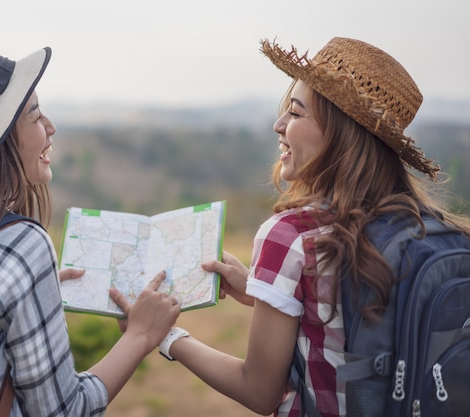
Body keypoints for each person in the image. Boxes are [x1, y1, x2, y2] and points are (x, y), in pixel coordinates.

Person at [115, 37, 470, 417]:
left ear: (341, 133)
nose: (278, 124)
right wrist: (260, 291)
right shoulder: (431, 228)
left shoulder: (292, 235)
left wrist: (163, 336)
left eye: (297, 114)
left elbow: (259, 391)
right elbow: (361, 325)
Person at [0, 43, 180, 416]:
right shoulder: (21, 246)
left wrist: (34, 290)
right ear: (1, 141)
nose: (50, 127)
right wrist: (141, 335)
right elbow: (64, 410)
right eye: (35, 115)